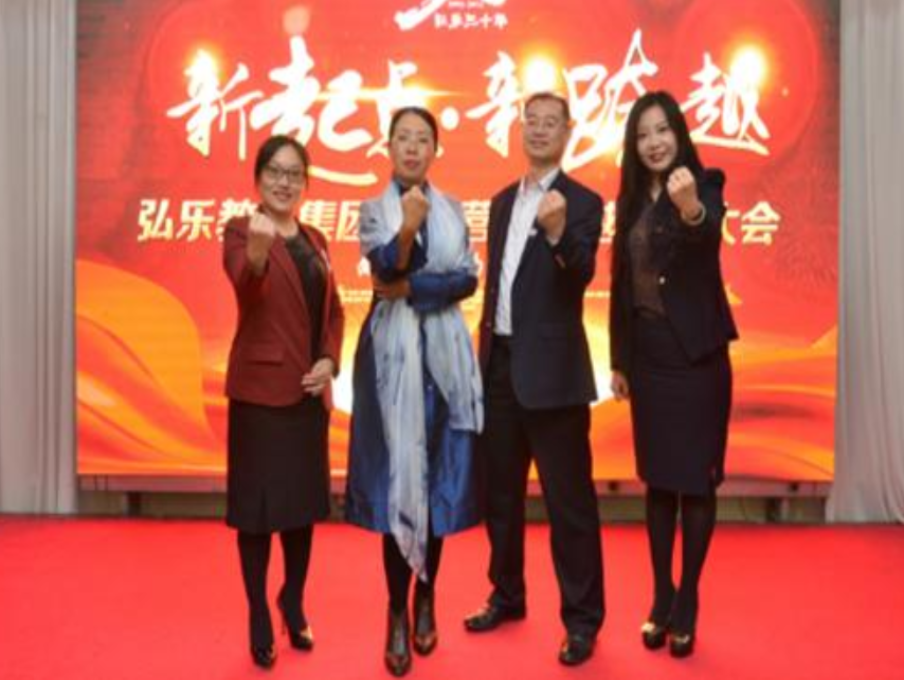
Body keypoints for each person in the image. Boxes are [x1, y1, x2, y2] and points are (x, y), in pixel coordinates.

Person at [463, 92, 605, 667]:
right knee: (500, 497)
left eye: (551, 123)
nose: (540, 131)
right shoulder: (501, 202)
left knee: (569, 505)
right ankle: (507, 594)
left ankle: (582, 621)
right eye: (532, 122)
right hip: (499, 369)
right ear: (520, 129)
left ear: (568, 133)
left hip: (554, 378)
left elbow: (582, 274)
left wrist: (557, 233)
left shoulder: (583, 202)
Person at [345, 107, 483, 677]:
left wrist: (414, 288)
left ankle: (427, 594)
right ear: (388, 146)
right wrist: (406, 230)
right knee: (396, 485)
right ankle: (397, 612)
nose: (412, 147)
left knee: (435, 486)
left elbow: (468, 278)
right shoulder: (372, 209)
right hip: (388, 363)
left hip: (444, 364)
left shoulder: (453, 208)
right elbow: (383, 269)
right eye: (403, 137)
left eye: (423, 139)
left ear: (434, 150)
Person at [608, 90, 738, 658]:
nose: (654, 142)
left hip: (698, 361)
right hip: (649, 359)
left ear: (679, 134)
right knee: (659, 483)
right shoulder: (630, 199)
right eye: (643, 135)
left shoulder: (705, 185)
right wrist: (619, 359)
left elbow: (705, 239)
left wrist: (691, 210)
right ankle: (661, 593)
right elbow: (620, 284)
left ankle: (688, 598)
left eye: (662, 130)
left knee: (696, 484)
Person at [222, 135, 344, 669]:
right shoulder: (240, 230)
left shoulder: (316, 239)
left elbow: (334, 313)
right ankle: (257, 611)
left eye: (294, 174)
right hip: (259, 397)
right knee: (256, 514)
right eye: (274, 171)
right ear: (258, 178)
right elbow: (247, 290)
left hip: (307, 398)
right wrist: (256, 254)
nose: (284, 182)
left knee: (301, 511)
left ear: (305, 183)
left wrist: (329, 360)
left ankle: (291, 599)